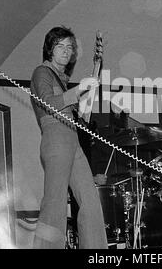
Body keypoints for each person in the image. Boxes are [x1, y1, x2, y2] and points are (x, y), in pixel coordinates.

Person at [30, 26, 107, 249]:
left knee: (91, 201)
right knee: (55, 203)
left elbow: (79, 115)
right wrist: (77, 90)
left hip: (72, 139)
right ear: (50, 50)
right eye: (60, 46)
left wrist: (86, 98)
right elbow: (47, 103)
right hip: (56, 138)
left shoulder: (60, 78)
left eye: (70, 47)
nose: (66, 51)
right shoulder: (41, 72)